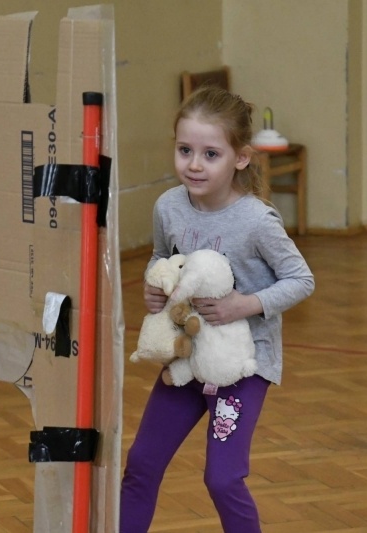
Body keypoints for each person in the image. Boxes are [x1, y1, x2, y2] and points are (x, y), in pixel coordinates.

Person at [119, 86, 314, 532]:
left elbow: (302, 280)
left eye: (210, 154)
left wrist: (244, 304)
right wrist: (155, 286)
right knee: (142, 463)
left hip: (243, 368)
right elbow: (161, 258)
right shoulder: (168, 207)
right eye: (185, 150)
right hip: (187, 359)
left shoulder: (256, 221)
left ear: (240, 158)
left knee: (222, 478)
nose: (193, 164)